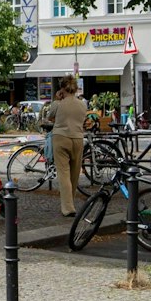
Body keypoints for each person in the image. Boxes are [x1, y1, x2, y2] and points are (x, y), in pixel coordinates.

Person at [42, 83, 88, 217]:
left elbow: (50, 116)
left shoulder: (58, 104)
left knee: (64, 174)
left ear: (62, 89)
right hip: (78, 138)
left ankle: (68, 208)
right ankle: (70, 202)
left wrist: (57, 99)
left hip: (61, 138)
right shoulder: (82, 104)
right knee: (74, 173)